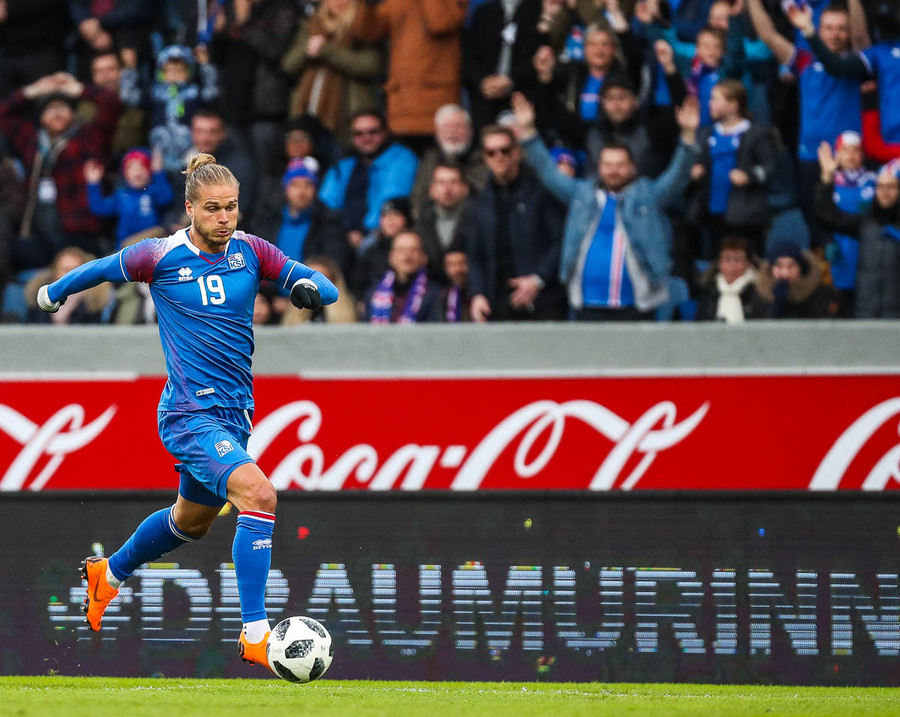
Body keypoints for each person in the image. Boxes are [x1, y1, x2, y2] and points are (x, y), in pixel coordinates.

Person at [35, 153, 338, 674]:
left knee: (190, 523)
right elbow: (102, 267)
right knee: (260, 495)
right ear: (191, 208)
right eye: (214, 208)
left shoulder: (252, 251)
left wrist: (312, 289)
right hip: (188, 412)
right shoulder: (160, 255)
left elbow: (324, 285)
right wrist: (53, 291)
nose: (225, 218)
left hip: (235, 414)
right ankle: (255, 634)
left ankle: (109, 574)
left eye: (232, 207)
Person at [512, 91, 700, 321]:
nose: (613, 171)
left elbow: (678, 176)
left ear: (632, 168)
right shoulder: (581, 194)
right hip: (587, 304)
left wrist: (688, 135)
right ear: (599, 167)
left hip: (637, 306)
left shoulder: (649, 195)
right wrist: (529, 131)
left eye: (620, 165)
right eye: (608, 165)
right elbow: (547, 171)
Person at [464, 123, 569, 322]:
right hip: (497, 302)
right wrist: (477, 294)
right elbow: (476, 254)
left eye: (505, 150)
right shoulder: (481, 200)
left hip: (542, 301)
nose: (499, 157)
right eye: (491, 152)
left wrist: (539, 279)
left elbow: (562, 240)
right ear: (485, 158)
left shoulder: (541, 191)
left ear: (517, 152)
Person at [353, 0, 467, 152]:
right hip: (401, 105)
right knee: (403, 162)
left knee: (435, 162)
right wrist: (369, 4)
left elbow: (441, 23)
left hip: (436, 106)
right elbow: (368, 33)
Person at [687, 79, 778, 258]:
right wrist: (695, 170)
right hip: (711, 213)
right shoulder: (706, 134)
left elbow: (770, 166)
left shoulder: (755, 133)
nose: (710, 103)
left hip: (744, 216)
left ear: (733, 105)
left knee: (748, 258)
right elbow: (696, 160)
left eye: (715, 99)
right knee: (716, 260)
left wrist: (749, 176)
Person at [281, 0, 384, 146]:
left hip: (346, 115)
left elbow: (372, 66)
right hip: (308, 115)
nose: (337, 2)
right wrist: (307, 48)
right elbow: (288, 67)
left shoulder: (364, 26)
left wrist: (326, 50)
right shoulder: (312, 24)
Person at [816, 151, 900, 318]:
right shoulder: (866, 224)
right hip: (866, 310)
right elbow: (828, 215)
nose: (885, 192)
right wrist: (826, 178)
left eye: (891, 187)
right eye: (880, 187)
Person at [318, 109, 418, 248]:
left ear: (385, 132)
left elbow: (391, 202)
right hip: (342, 235)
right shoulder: (345, 163)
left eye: (373, 132)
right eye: (359, 133)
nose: (366, 138)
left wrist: (362, 232)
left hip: (380, 235)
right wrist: (345, 231)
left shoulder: (402, 159)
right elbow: (327, 202)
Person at [120, 44, 220, 174]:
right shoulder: (155, 93)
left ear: (189, 71)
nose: (175, 75)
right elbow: (129, 97)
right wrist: (129, 69)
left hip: (189, 152)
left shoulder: (193, 93)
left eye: (180, 70)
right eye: (169, 70)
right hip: (159, 154)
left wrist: (205, 66)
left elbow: (211, 93)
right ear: (161, 72)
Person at [84, 148, 175, 251]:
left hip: (152, 246)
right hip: (126, 248)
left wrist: (158, 172)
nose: (137, 171)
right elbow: (99, 208)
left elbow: (166, 198)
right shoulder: (121, 195)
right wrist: (93, 184)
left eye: (143, 166)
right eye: (131, 167)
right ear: (124, 173)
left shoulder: (152, 192)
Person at [750, 238, 839, 319]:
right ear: (771, 269)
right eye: (779, 266)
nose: (785, 273)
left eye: (791, 266)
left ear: (801, 268)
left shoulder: (821, 294)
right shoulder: (759, 296)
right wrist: (776, 306)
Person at [365, 230, 442, 323]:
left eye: (413, 250)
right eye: (401, 250)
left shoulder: (436, 295)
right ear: (391, 257)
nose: (407, 256)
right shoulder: (373, 293)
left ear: (423, 257)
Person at [694, 235, 765, 322]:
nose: (732, 265)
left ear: (748, 263)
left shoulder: (761, 292)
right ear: (719, 264)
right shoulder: (709, 292)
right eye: (727, 260)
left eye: (737, 260)